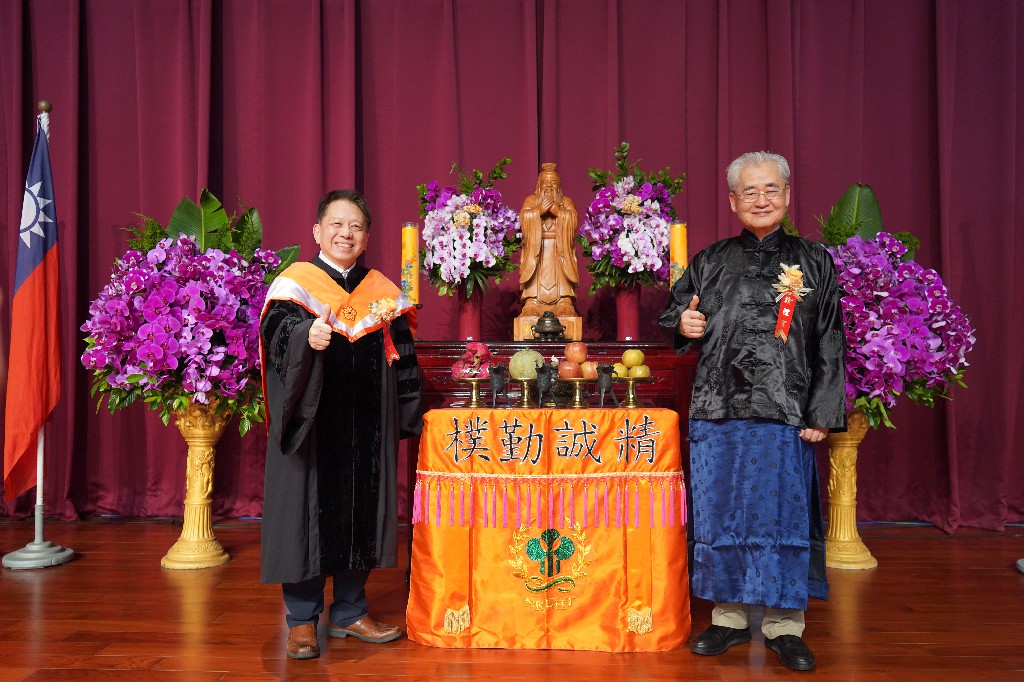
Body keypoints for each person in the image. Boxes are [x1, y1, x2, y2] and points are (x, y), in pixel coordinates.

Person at [658, 152, 847, 672]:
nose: (760, 200)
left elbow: (830, 338)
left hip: (787, 408)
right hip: (718, 406)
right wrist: (683, 325)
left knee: (785, 514)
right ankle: (729, 617)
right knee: (722, 511)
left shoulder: (814, 261)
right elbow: (676, 313)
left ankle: (785, 625)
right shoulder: (711, 260)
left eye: (770, 189)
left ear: (786, 195)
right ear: (732, 201)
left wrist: (822, 411)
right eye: (749, 191)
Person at [259, 189, 422, 660]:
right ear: (317, 231)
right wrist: (304, 336)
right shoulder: (295, 285)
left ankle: (350, 611)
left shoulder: (382, 293)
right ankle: (302, 620)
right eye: (336, 224)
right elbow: (274, 336)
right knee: (305, 517)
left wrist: (407, 415)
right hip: (312, 425)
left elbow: (404, 356)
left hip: (368, 426)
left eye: (356, 226)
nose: (345, 233)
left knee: (362, 512)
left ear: (367, 237)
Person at [519, 163, 579, 317]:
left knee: (562, 277)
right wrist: (538, 211)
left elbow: (573, 220)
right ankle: (532, 301)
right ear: (538, 185)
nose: (549, 186)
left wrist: (558, 212)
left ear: (559, 186)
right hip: (537, 249)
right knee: (534, 277)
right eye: (545, 182)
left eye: (553, 182)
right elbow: (524, 219)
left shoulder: (566, 201)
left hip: (559, 250)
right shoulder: (531, 200)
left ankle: (564, 301)